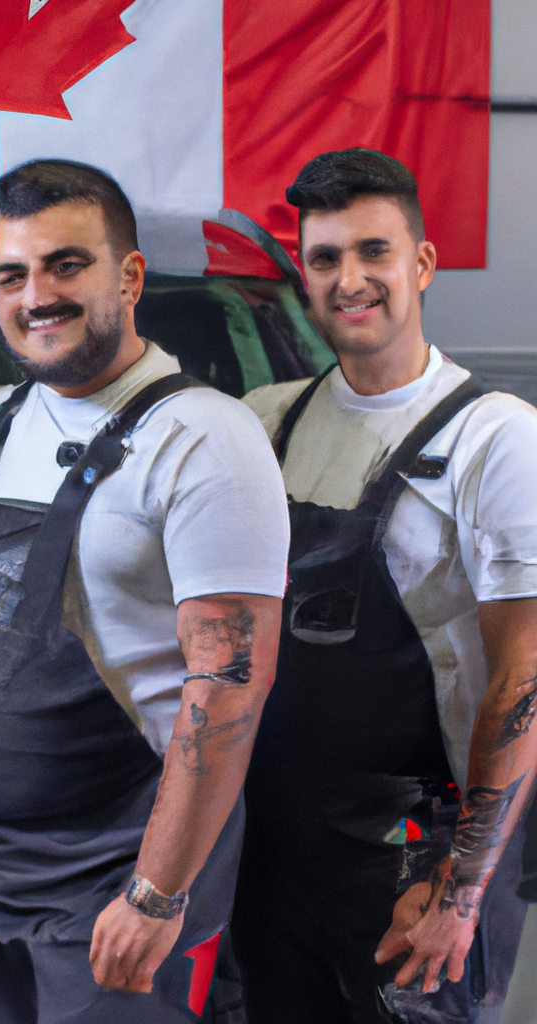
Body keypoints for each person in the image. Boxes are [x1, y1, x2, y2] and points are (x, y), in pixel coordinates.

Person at [0, 158, 289, 1023]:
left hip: (125, 863)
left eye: (66, 264)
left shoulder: (204, 439)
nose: (36, 294)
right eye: (12, 273)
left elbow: (229, 683)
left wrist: (157, 892)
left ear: (130, 275)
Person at [231, 148, 537, 1023]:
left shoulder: (496, 440)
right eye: (325, 258)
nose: (349, 279)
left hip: (420, 860)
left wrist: (463, 889)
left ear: (423, 264)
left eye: (374, 252)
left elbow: (523, 679)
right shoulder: (266, 421)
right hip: (275, 852)